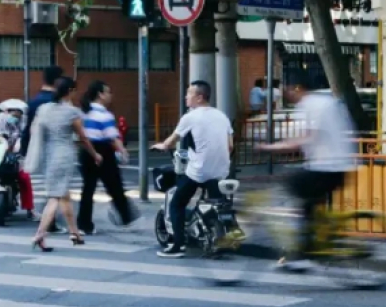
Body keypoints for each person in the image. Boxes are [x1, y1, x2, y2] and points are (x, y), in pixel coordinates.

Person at [256, 72, 356, 272]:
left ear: (298, 88)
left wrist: (271, 148)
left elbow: (306, 138)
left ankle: (304, 254)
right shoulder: (327, 101)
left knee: (293, 188)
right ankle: (315, 242)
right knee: (307, 203)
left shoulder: (311, 105)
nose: (286, 94)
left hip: (327, 167)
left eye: (288, 90)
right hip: (337, 166)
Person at [151, 80, 233, 258]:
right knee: (216, 200)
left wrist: (160, 146)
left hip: (200, 171)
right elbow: (230, 146)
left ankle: (177, 245)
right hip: (222, 170)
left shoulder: (190, 117)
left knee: (177, 203)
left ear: (200, 97)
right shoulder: (222, 116)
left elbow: (169, 143)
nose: (185, 96)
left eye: (189, 93)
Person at [31, 77, 102, 252]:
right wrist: (95, 154)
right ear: (70, 91)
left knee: (63, 194)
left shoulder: (44, 109)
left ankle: (74, 233)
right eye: (74, 90)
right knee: (55, 197)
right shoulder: (71, 112)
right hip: (64, 156)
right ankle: (40, 234)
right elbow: (83, 138)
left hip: (49, 156)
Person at [77, 81, 137, 235]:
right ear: (100, 94)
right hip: (102, 150)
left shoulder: (83, 112)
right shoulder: (104, 114)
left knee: (88, 189)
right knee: (115, 185)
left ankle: (84, 224)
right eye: (108, 92)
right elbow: (112, 136)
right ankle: (126, 216)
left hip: (86, 151)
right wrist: (123, 150)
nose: (111, 95)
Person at [21, 65, 66, 233]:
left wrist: (24, 151)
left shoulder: (33, 102)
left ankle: (49, 219)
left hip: (38, 148)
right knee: (56, 189)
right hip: (55, 148)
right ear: (57, 80)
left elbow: (27, 130)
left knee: (51, 186)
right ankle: (50, 223)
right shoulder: (57, 102)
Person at [0, 100, 38, 220]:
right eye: (14, 115)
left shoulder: (21, 123)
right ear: (6, 112)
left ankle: (30, 209)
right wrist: (1, 141)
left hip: (14, 157)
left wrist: (20, 147)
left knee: (25, 178)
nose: (16, 118)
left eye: (19, 116)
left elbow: (22, 138)